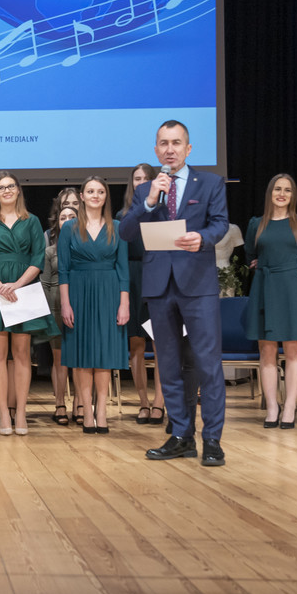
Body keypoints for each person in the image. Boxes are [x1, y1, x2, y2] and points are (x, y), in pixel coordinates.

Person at [117, 120, 229, 467]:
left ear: (188, 148)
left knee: (208, 363)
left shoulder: (210, 183)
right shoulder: (145, 190)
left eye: (176, 143)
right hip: (159, 286)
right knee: (167, 364)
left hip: (197, 284)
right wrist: (149, 200)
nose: (170, 149)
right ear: (156, 150)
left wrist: (204, 238)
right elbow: (126, 232)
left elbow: (220, 223)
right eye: (164, 143)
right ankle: (181, 435)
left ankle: (212, 439)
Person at [0, 170, 56, 436]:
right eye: (1, 187)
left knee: (22, 354)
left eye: (11, 186)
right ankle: (4, 412)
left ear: (18, 190)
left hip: (23, 291)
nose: (6, 190)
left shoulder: (32, 221)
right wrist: (0, 286)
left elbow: (38, 259)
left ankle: (21, 412)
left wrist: (17, 284)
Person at [243, 174, 297, 429]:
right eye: (277, 189)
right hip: (264, 286)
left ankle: (290, 406)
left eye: (287, 190)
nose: (282, 194)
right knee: (267, 350)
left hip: (291, 288)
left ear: (293, 195)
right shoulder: (256, 223)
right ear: (270, 193)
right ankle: (272, 407)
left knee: (293, 349)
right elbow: (250, 255)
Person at [59, 177, 130, 434]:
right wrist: (65, 303)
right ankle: (86, 411)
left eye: (100, 191)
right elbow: (63, 269)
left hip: (109, 292)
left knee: (103, 354)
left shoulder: (117, 227)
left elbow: (123, 269)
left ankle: (101, 410)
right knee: (82, 355)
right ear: (82, 196)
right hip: (78, 291)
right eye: (90, 191)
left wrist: (124, 303)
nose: (95, 195)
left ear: (106, 196)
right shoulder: (69, 228)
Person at [118, 163, 166, 426]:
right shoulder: (123, 215)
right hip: (132, 279)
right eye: (137, 179)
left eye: (147, 178)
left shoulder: (164, 211)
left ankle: (160, 402)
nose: (142, 183)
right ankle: (143, 403)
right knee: (136, 344)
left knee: (160, 344)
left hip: (157, 277)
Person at [44, 201, 79, 426]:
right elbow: (45, 283)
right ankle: (59, 404)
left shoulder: (86, 248)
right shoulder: (50, 251)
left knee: (80, 359)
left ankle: (80, 404)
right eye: (63, 217)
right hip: (56, 307)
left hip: (81, 305)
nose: (67, 221)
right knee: (59, 360)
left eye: (71, 217)